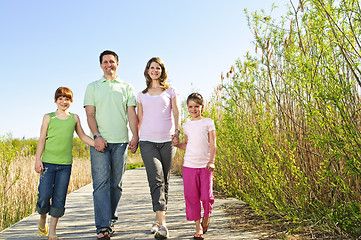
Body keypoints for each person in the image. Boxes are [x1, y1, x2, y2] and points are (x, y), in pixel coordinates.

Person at [84, 50, 138, 239]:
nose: (109, 64)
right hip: (99, 143)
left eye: (112, 61)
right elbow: (90, 114)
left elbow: (131, 114)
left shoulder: (127, 87)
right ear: (100, 65)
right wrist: (97, 136)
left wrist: (135, 136)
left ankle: (110, 219)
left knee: (116, 185)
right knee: (100, 184)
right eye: (105, 62)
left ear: (117, 64)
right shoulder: (92, 87)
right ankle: (102, 226)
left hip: (121, 142)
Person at [35, 87, 94, 240]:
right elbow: (42, 139)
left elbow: (82, 136)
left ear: (71, 101)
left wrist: (96, 144)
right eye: (60, 98)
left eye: (67, 99)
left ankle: (52, 231)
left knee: (59, 198)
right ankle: (42, 217)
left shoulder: (74, 118)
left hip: (65, 165)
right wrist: (37, 160)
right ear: (55, 100)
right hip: (48, 163)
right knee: (44, 195)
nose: (64, 101)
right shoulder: (48, 117)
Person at [137, 57, 180, 239]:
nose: (155, 70)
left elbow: (177, 112)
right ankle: (163, 225)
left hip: (168, 141)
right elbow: (139, 120)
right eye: (152, 67)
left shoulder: (170, 91)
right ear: (147, 71)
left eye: (158, 68)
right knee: (156, 179)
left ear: (162, 71)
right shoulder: (141, 95)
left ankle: (158, 219)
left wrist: (178, 131)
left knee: (165, 181)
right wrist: (135, 138)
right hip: (147, 141)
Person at [174, 93, 217, 240]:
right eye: (191, 107)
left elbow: (213, 145)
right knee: (192, 197)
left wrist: (211, 161)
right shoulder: (186, 125)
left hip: (205, 166)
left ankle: (207, 216)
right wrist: (177, 144)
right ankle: (197, 225)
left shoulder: (208, 122)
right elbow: (187, 145)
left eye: (196, 106)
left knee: (206, 196)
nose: (193, 109)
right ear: (187, 108)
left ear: (202, 107)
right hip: (189, 166)